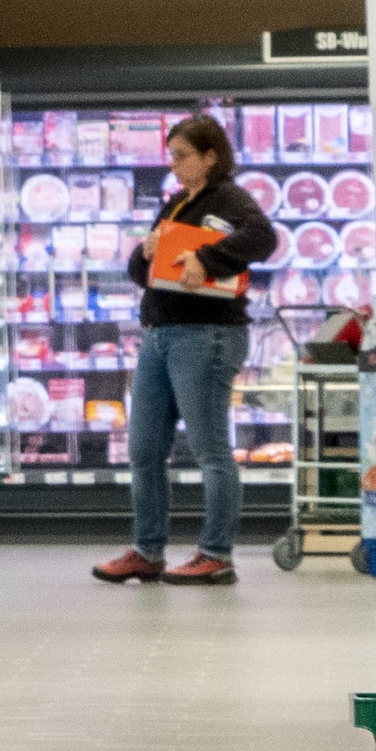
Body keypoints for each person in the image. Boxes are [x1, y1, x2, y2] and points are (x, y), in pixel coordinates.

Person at [99, 111, 275, 585]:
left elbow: (263, 237)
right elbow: (142, 276)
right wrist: (145, 253)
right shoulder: (176, 204)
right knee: (143, 448)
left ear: (209, 157)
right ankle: (147, 550)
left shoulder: (231, 199)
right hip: (159, 334)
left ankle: (216, 554)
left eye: (182, 156)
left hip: (206, 335)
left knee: (210, 449)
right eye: (171, 157)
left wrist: (206, 257)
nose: (173, 166)